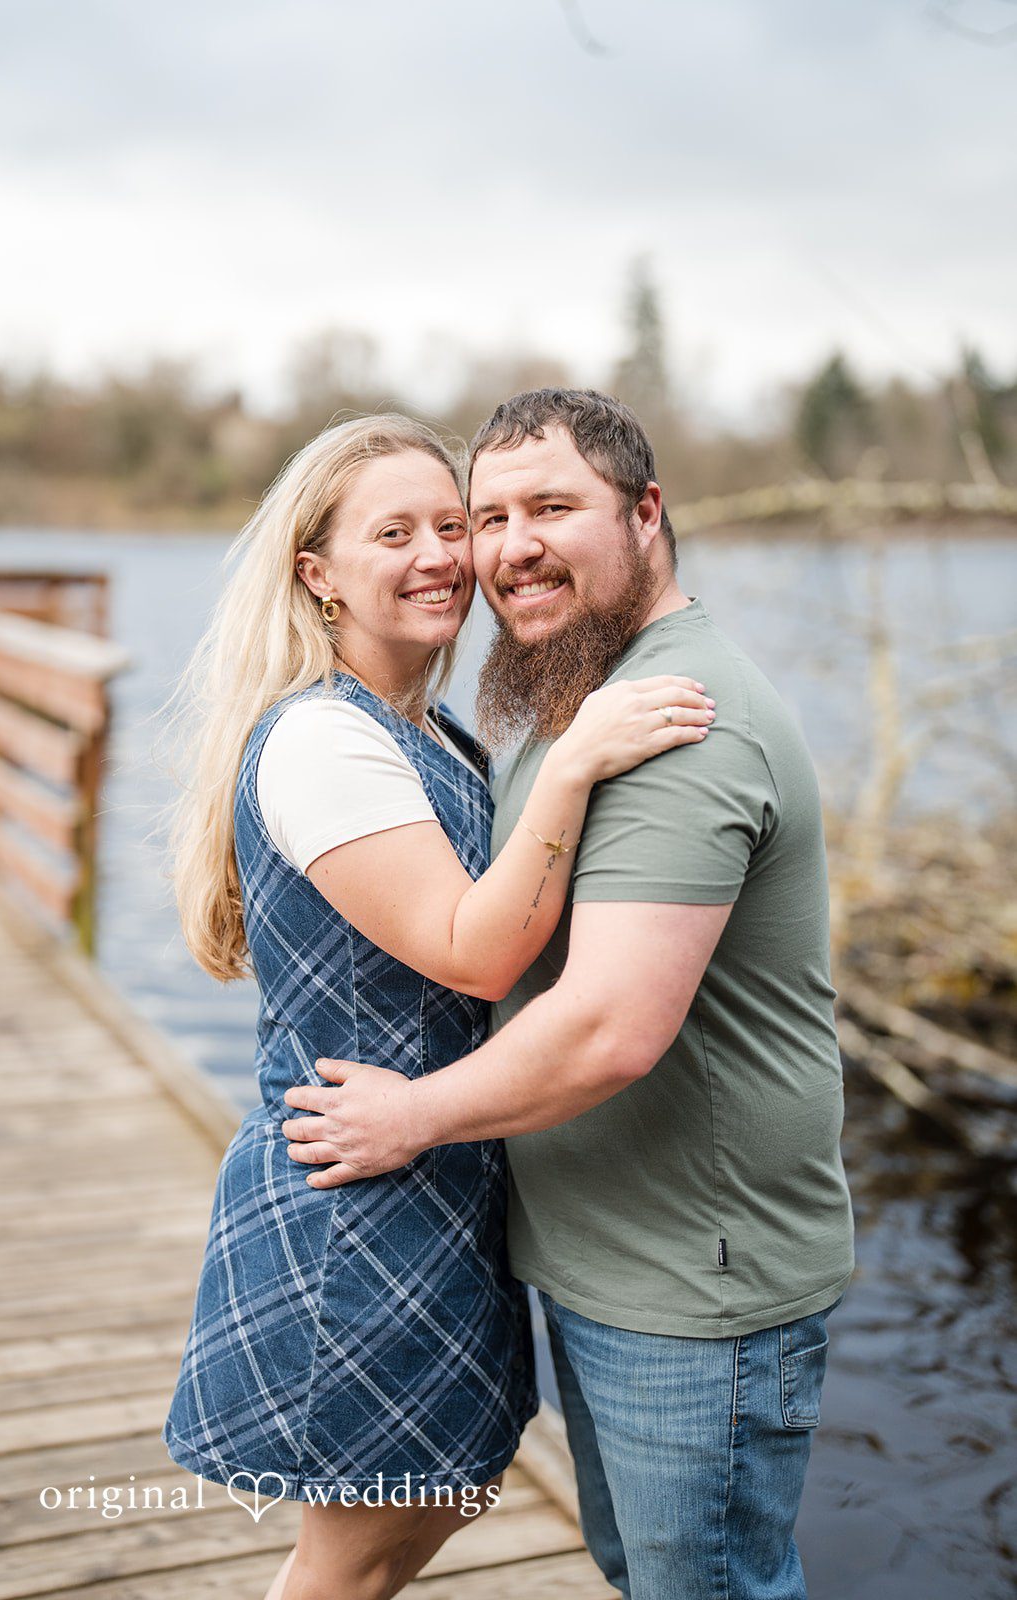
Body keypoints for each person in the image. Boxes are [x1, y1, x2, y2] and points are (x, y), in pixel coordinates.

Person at [281, 389, 857, 1600]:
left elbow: (605, 1026)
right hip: (610, 1256)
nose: (505, 548)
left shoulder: (678, 723)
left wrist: (414, 1115)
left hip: (694, 1283)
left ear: (646, 514)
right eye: (486, 516)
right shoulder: (580, 692)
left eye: (551, 507)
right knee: (645, 1573)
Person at [161, 412, 714, 1600]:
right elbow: (473, 954)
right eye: (392, 532)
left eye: (451, 526)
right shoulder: (321, 738)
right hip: (359, 1210)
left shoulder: (420, 729)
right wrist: (571, 761)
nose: (438, 555)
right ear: (317, 574)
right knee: (349, 1563)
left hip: (430, 1183)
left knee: (430, 1504)